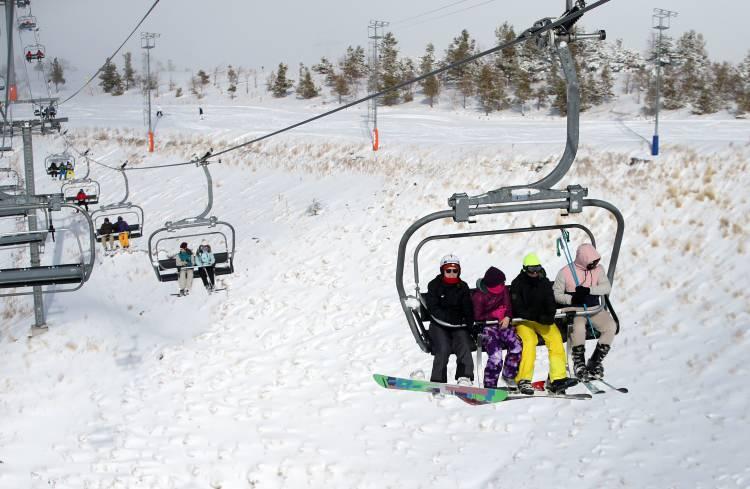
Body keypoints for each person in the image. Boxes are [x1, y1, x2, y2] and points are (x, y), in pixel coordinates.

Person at [510, 253, 578, 395]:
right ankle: (523, 380)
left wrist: (549, 315)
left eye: (537, 269)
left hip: (541, 319)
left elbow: (550, 301)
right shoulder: (517, 284)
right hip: (524, 321)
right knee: (529, 341)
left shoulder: (544, 282)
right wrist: (537, 316)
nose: (534, 273)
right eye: (531, 270)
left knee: (555, 338)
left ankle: (558, 379)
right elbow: (518, 308)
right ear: (524, 269)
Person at [554, 243, 617, 381]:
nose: (594, 265)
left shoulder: (598, 270)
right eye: (591, 262)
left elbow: (606, 287)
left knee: (610, 326)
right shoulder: (565, 272)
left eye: (596, 262)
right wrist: (572, 298)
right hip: (575, 310)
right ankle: (579, 362)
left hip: (593, 308)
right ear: (584, 259)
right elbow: (556, 294)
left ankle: (595, 361)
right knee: (578, 328)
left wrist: (589, 290)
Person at [425, 254, 475, 386]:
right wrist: (450, 318)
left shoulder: (462, 286)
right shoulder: (434, 285)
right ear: (443, 270)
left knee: (464, 344)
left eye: (455, 270)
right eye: (448, 270)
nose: (452, 273)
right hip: (439, 324)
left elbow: (467, 307)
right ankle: (438, 380)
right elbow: (433, 308)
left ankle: (465, 377)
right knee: (443, 347)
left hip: (458, 325)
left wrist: (470, 324)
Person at [472, 266, 522, 390]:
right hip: (487, 328)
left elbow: (508, 307)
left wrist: (507, 317)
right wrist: (493, 315)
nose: (503, 285)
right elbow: (477, 317)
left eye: (503, 283)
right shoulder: (479, 296)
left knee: (517, 346)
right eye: (500, 284)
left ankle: (508, 375)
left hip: (503, 325)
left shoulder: (503, 290)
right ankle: (490, 385)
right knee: (496, 356)